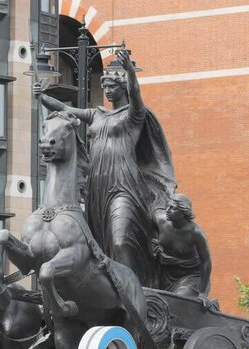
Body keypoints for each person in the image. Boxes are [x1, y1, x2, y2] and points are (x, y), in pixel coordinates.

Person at [36, 50, 176, 287]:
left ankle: (132, 291)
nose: (108, 91)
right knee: (99, 242)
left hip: (124, 184)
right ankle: (104, 289)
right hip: (97, 186)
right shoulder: (96, 114)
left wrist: (131, 73)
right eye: (106, 87)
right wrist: (41, 97)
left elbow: (137, 96)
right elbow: (64, 108)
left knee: (121, 240)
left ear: (122, 89)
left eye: (112, 87)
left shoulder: (133, 116)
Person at [152, 193, 212, 307]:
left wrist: (203, 293)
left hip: (191, 276)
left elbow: (206, 261)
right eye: (168, 206)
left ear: (183, 213)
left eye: (173, 208)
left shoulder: (196, 233)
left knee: (176, 304)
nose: (167, 210)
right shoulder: (160, 220)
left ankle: (211, 307)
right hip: (167, 275)